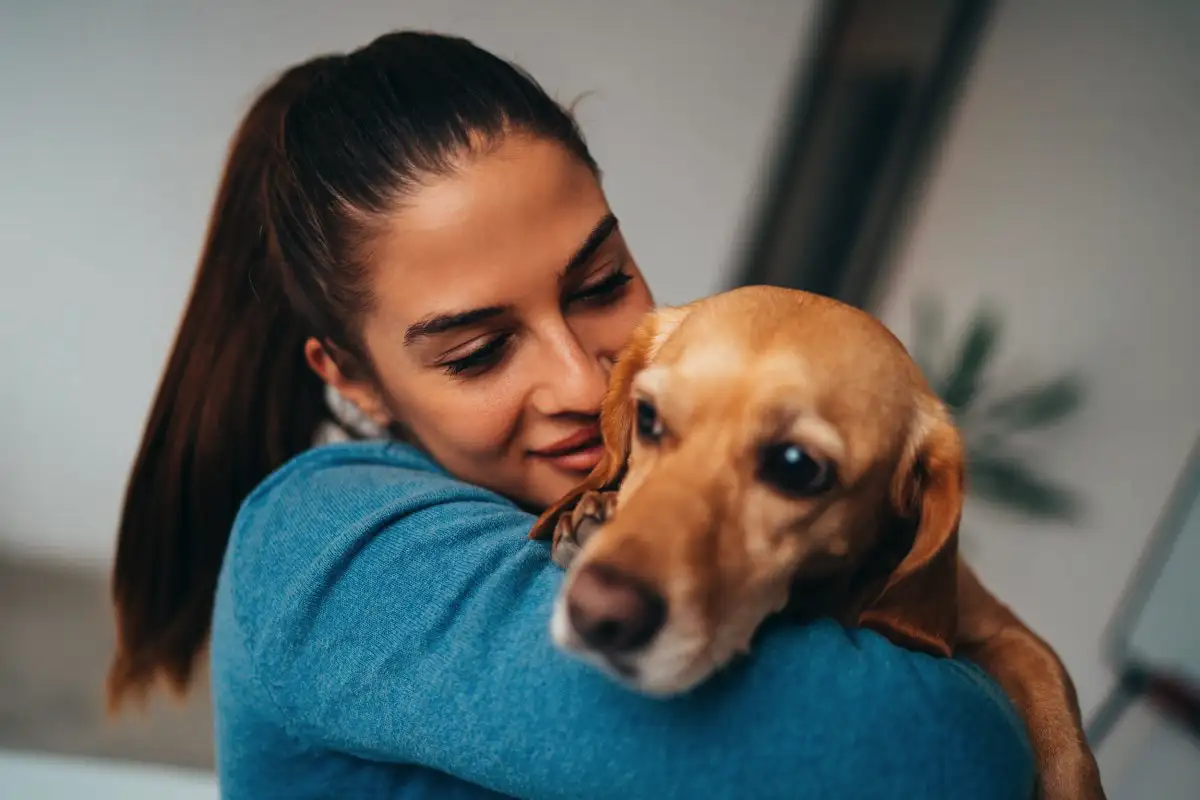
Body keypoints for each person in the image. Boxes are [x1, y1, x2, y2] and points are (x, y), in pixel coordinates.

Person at [108, 30, 1034, 799]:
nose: (592, 386)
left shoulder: (652, 462)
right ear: (356, 382)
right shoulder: (326, 543)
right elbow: (948, 755)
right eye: (477, 352)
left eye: (601, 284)